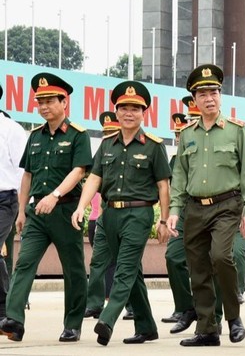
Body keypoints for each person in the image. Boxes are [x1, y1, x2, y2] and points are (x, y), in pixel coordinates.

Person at [69, 81, 171, 345]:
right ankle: (147, 327)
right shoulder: (106, 145)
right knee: (133, 273)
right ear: (116, 111)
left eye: (135, 108)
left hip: (139, 214)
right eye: (124, 107)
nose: (129, 113)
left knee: (124, 269)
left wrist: (163, 219)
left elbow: (163, 186)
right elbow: (94, 178)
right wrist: (81, 206)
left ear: (144, 112)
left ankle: (108, 319)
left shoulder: (153, 145)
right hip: (110, 216)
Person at [167, 64, 245, 347]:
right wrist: (173, 210)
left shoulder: (237, 130)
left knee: (221, 257)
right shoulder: (188, 133)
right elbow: (180, 174)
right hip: (195, 208)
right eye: (203, 93)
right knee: (198, 268)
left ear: (221, 96)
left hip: (227, 205)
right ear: (194, 99)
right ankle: (207, 329)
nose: (209, 98)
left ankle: (233, 318)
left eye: (214, 92)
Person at [0, 73, 92, 343]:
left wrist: (55, 194)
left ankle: (72, 324)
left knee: (73, 270)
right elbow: (27, 174)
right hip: (37, 213)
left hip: (65, 211)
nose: (44, 107)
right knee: (24, 263)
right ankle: (14, 319)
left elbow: (79, 170)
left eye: (50, 101)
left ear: (64, 102)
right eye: (40, 102)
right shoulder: (35, 136)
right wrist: (20, 211)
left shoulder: (78, 135)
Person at [84, 112, 133, 320]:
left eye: (111, 131)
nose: (107, 135)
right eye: (105, 132)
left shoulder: (130, 152)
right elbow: (92, 180)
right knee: (99, 262)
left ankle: (132, 306)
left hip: (125, 216)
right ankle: (95, 303)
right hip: (99, 218)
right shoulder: (102, 153)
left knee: (127, 264)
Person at [162, 111, 199, 332]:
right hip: (183, 213)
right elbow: (169, 187)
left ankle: (211, 312)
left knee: (211, 263)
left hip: (209, 210)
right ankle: (185, 308)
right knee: (173, 257)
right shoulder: (176, 159)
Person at [0, 84, 26, 321]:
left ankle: (3, 309)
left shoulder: (11, 129)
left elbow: (23, 172)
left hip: (4, 200)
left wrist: (23, 209)